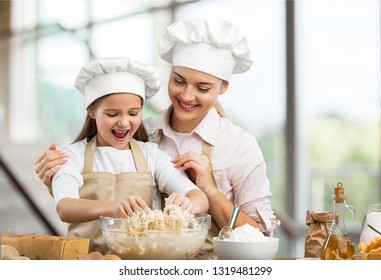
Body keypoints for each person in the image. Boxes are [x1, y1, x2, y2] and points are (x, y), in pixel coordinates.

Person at [35, 18, 280, 245]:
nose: (186, 96)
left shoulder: (239, 146)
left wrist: (211, 192)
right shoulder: (144, 133)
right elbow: (81, 193)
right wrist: (56, 179)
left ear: (223, 87)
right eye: (179, 80)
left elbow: (260, 237)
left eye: (203, 88)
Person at [48, 57, 209, 254]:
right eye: (112, 114)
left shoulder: (151, 155)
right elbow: (65, 207)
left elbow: (200, 198)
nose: (124, 122)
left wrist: (187, 203)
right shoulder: (73, 155)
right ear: (91, 111)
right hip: (86, 264)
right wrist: (113, 209)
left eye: (133, 113)